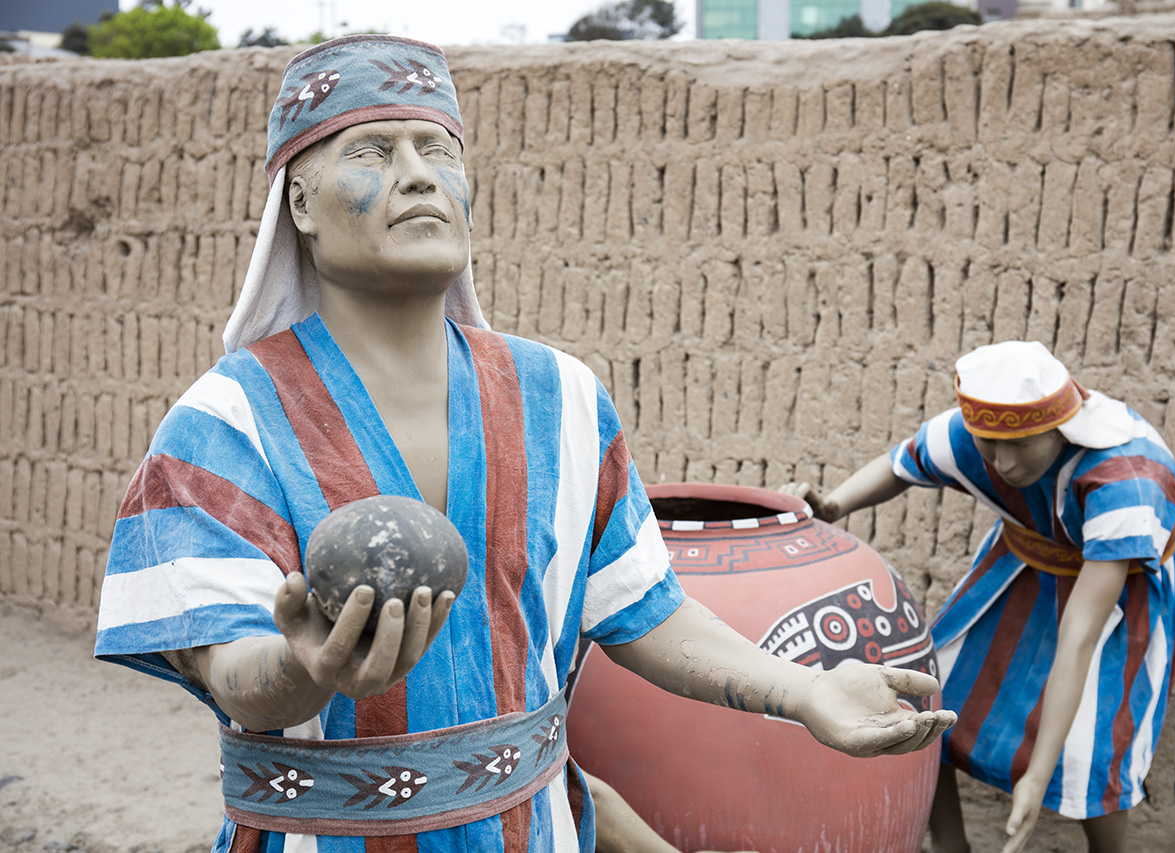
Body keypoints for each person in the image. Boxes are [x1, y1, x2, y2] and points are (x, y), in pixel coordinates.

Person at [94, 35, 953, 853]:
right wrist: (305, 664)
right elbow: (228, 664)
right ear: (300, 202)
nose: (419, 175)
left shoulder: (564, 398)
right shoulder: (224, 422)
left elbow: (643, 611)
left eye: (439, 150)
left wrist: (804, 690)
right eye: (373, 152)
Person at [783, 340, 1175, 853]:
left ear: (1058, 427)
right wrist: (833, 504)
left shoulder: (1123, 483)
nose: (1003, 462)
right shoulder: (984, 431)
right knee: (931, 701)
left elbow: (1080, 634)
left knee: (1096, 742)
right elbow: (901, 463)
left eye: (1022, 445)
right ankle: (951, 845)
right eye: (989, 445)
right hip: (1023, 567)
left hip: (1116, 593)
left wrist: (1037, 778)